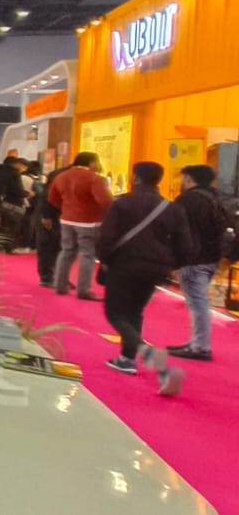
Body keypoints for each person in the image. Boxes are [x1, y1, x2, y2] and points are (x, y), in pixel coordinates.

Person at [98, 162, 193, 396]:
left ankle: (156, 363)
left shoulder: (122, 204)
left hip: (124, 264)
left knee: (115, 313)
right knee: (134, 312)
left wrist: (105, 259)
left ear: (136, 178)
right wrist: (170, 266)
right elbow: (185, 246)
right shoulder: (172, 209)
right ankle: (126, 359)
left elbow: (106, 237)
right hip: (155, 269)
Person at [169, 165, 234, 361]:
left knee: (197, 302)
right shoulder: (217, 198)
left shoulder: (187, 200)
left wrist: (172, 259)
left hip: (192, 258)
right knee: (198, 301)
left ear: (189, 178)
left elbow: (177, 231)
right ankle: (196, 342)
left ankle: (200, 346)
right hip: (212, 257)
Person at [48, 152, 113, 300]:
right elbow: (105, 201)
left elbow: (52, 198)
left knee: (66, 251)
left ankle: (59, 285)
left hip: (66, 219)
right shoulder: (95, 178)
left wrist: (66, 208)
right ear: (91, 163)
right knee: (87, 254)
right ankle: (84, 290)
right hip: (89, 221)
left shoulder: (61, 176)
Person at [0, 157, 29, 252]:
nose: (24, 169)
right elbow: (17, 190)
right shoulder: (14, 173)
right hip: (13, 202)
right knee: (13, 226)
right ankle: (9, 247)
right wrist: (26, 193)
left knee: (2, 224)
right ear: (17, 164)